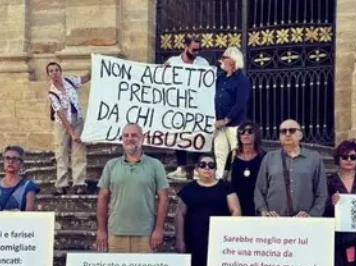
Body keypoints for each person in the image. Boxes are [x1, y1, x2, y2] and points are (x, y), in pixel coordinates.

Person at [175, 153, 242, 266]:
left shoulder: (225, 188)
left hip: (218, 244)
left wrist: (229, 237)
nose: (207, 168)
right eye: (203, 165)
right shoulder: (188, 190)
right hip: (193, 242)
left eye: (211, 165)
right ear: (197, 168)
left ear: (215, 168)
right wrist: (180, 240)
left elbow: (235, 211)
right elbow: (180, 214)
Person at [95, 123, 170, 253]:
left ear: (142, 138)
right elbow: (102, 198)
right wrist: (101, 230)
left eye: (134, 135)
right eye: (126, 135)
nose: (130, 138)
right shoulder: (111, 165)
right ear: (122, 139)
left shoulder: (155, 165)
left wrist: (159, 229)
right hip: (116, 233)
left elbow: (164, 198)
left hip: (146, 234)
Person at [254, 119, 327, 217]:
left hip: (305, 223)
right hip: (274, 221)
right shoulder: (269, 158)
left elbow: (321, 192)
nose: (287, 134)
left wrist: (312, 215)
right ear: (280, 136)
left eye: (292, 130)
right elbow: (260, 189)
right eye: (283, 131)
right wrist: (263, 211)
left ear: (300, 135)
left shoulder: (314, 158)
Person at [166, 37, 211, 182]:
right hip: (178, 106)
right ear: (186, 46)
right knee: (180, 135)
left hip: (196, 106)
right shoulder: (173, 62)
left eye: (199, 50)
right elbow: (160, 79)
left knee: (199, 135)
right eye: (194, 49)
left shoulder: (203, 63)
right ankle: (181, 168)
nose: (197, 53)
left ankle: (198, 167)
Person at [47, 62, 91, 195]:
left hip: (77, 119)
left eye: (56, 70)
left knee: (79, 152)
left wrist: (95, 66)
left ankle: (79, 182)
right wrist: (72, 133)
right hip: (62, 123)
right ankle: (62, 184)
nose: (54, 73)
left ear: (60, 71)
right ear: (48, 74)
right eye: (51, 71)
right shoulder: (52, 93)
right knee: (61, 152)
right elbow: (60, 114)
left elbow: (85, 78)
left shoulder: (69, 81)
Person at [213, 46, 251, 179]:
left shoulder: (242, 80)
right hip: (219, 124)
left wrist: (226, 119)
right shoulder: (220, 79)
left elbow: (240, 103)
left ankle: (236, 178)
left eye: (224, 57)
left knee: (237, 151)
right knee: (220, 152)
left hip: (234, 124)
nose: (221, 60)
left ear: (233, 60)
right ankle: (220, 178)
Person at [0, 146, 40, 211]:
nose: (10, 161)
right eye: (7, 158)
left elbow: (30, 213)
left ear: (21, 164)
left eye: (14, 158)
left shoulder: (28, 187)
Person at [225, 121, 264, 216]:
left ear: (256, 135)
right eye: (242, 131)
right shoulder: (233, 155)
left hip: (256, 202)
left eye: (250, 131)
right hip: (236, 202)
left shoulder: (263, 156)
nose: (246, 134)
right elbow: (225, 178)